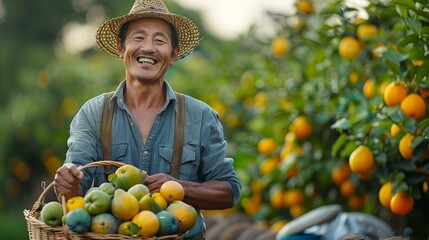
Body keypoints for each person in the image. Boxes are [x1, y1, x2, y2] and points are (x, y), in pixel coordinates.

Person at [53, 0, 241, 238]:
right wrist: (68, 182)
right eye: (138, 38)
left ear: (173, 54)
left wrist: (179, 187)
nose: (148, 48)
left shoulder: (200, 116)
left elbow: (229, 191)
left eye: (160, 40)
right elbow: (74, 198)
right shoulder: (93, 114)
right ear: (122, 48)